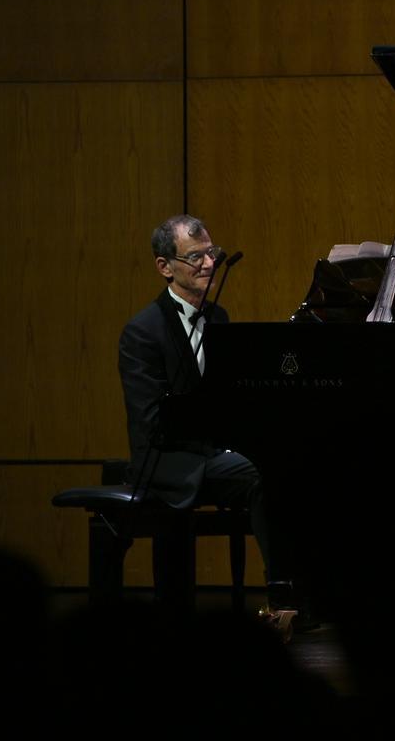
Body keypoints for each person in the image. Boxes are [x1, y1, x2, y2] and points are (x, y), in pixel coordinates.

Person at [119, 214, 298, 635]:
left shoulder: (219, 318)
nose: (208, 265)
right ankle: (284, 598)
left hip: (214, 453)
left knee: (289, 464)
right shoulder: (142, 332)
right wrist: (223, 440)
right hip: (168, 459)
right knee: (260, 473)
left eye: (212, 254)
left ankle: (302, 596)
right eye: (195, 257)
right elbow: (152, 422)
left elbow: (229, 400)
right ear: (165, 267)